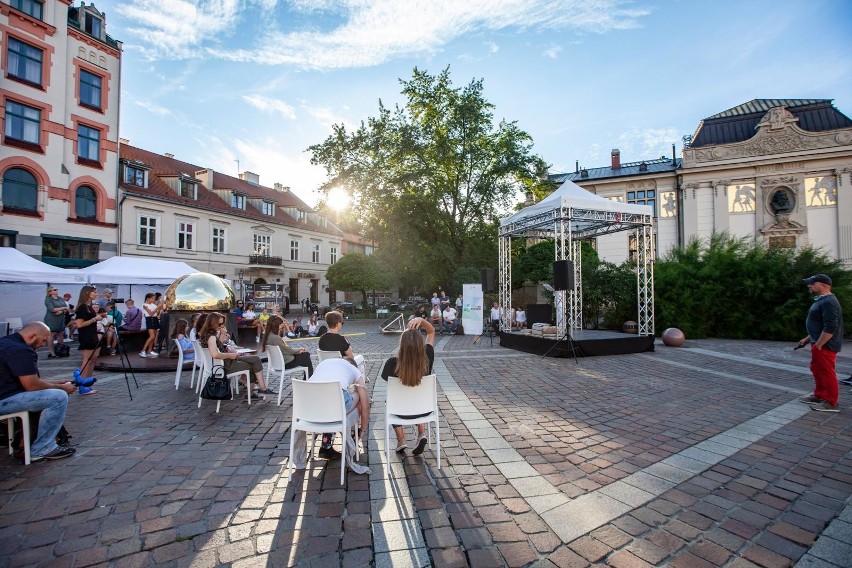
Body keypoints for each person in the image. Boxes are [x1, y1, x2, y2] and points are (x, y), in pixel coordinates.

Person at [0, 322, 77, 461]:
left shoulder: (5, 342)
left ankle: (32, 444)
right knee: (58, 397)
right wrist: (62, 388)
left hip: (5, 394)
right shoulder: (21, 350)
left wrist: (54, 383)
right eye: (42, 340)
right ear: (32, 336)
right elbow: (31, 385)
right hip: (4, 400)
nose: (42, 344)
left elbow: (23, 380)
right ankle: (43, 448)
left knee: (51, 393)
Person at [381, 317, 436, 454]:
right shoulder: (428, 357)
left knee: (390, 400)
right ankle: (421, 433)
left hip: (400, 413)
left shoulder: (391, 363)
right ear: (420, 344)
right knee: (416, 396)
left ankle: (401, 440)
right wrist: (421, 320)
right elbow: (431, 332)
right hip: (424, 411)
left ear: (402, 344)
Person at [199, 312, 275, 396]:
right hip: (225, 365)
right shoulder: (211, 337)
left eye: (222, 324)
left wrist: (224, 342)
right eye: (219, 324)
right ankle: (257, 391)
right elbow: (215, 354)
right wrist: (230, 355)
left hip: (221, 363)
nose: (221, 326)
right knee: (253, 364)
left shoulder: (206, 335)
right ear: (213, 323)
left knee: (255, 359)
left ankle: (260, 389)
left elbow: (216, 348)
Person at [797, 274, 842, 412]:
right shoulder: (823, 300)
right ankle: (819, 395)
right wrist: (807, 339)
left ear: (824, 285)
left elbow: (830, 326)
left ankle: (831, 402)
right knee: (818, 370)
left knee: (827, 372)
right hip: (819, 343)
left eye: (812, 283)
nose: (809, 285)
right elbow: (819, 324)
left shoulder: (829, 302)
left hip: (825, 345)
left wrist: (819, 344)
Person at [309, 357, 369, 442]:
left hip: (308, 408)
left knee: (328, 396)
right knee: (358, 395)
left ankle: (326, 443)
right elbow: (365, 404)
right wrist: (363, 429)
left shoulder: (323, 363)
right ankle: (353, 434)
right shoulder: (354, 369)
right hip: (334, 409)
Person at [74, 286, 102, 392]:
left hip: (93, 334)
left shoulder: (89, 306)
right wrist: (95, 319)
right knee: (87, 360)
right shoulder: (82, 307)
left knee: (94, 358)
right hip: (87, 335)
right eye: (94, 292)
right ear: (87, 293)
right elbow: (79, 324)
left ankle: (88, 382)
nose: (96, 294)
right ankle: (83, 384)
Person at [44, 287, 70, 359]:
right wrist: (62, 308)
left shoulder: (60, 298)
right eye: (55, 290)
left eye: (57, 289)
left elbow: (66, 307)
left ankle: (60, 350)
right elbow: (52, 309)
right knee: (51, 335)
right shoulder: (48, 300)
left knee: (60, 334)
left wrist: (61, 311)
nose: (56, 290)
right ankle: (51, 352)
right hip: (51, 319)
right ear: (50, 292)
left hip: (60, 318)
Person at [140, 292, 161, 358]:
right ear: (148, 298)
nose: (153, 300)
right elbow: (150, 313)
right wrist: (158, 307)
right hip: (149, 320)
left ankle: (149, 351)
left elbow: (157, 314)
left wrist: (159, 309)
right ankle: (143, 351)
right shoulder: (145, 305)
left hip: (155, 320)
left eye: (154, 299)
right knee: (152, 336)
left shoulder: (154, 305)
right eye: (152, 298)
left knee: (154, 337)